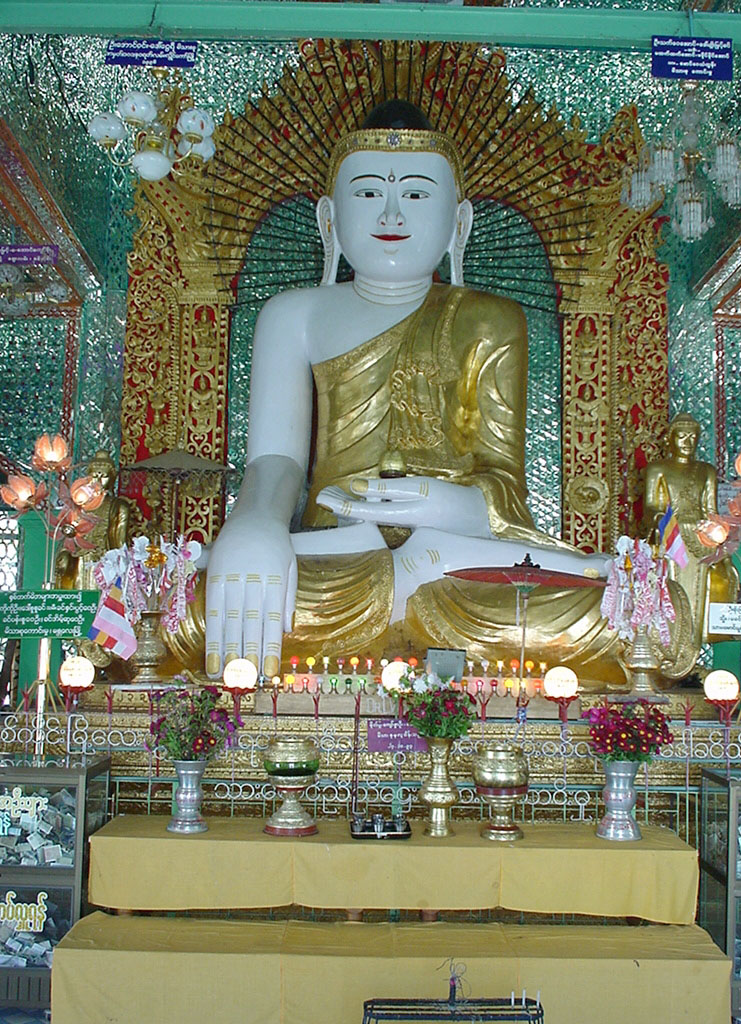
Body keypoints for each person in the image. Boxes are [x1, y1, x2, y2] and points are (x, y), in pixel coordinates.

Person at [203, 101, 690, 688]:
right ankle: (388, 596)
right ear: (328, 220)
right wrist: (254, 526)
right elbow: (274, 461)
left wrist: (446, 504)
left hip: (456, 565)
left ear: (459, 223)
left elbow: (502, 480)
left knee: (626, 612)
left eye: (415, 194)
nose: (391, 213)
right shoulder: (293, 315)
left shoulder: (491, 320)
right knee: (203, 600)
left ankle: (405, 593)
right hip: (334, 560)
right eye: (367, 193)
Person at [644, 412, 738, 648]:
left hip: (700, 537)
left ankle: (692, 648)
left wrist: (718, 533)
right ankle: (669, 647)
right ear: (670, 439)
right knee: (669, 588)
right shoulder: (658, 469)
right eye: (682, 436)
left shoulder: (706, 471)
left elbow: (710, 510)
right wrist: (664, 521)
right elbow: (651, 507)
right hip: (670, 535)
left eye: (693, 437)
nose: (687, 442)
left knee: (702, 589)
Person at [57, 450, 131, 669]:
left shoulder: (118, 506)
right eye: (94, 475)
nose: (98, 480)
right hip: (80, 563)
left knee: (103, 609)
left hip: (104, 564)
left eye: (104, 475)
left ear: (113, 478)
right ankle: (82, 652)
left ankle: (102, 655)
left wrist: (119, 570)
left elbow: (119, 542)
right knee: (81, 607)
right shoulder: (77, 507)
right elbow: (66, 539)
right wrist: (63, 556)